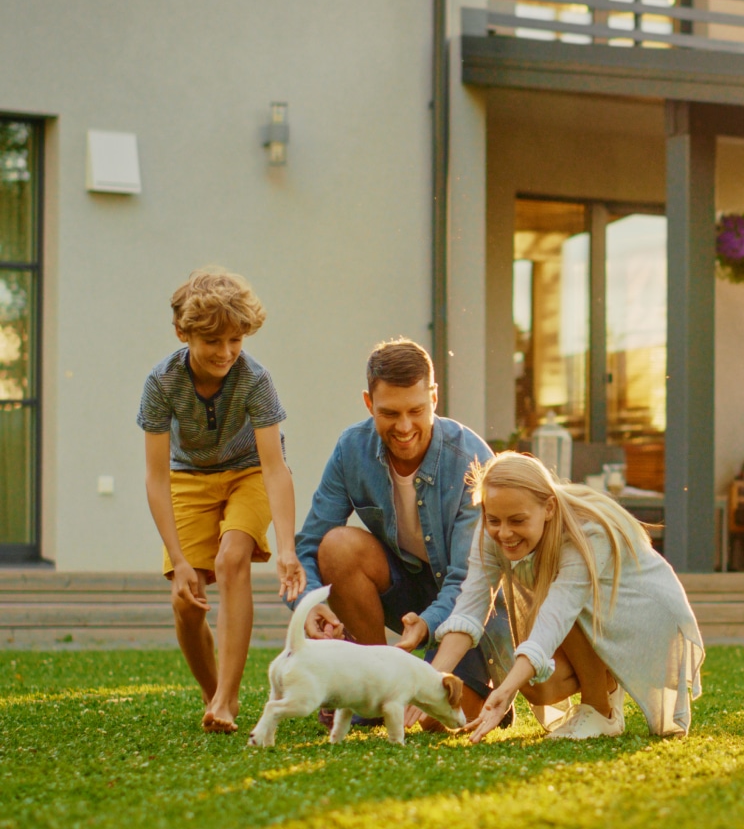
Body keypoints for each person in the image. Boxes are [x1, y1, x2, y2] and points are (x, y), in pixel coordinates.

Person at [293, 338, 511, 729]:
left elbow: (468, 581)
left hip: (472, 604)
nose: (405, 426)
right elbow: (308, 546)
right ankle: (374, 684)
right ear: (367, 403)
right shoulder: (351, 450)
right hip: (405, 589)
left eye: (416, 410)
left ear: (434, 396)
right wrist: (309, 606)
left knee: (434, 720)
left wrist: (427, 624)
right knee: (337, 546)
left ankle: (473, 686)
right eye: (389, 413)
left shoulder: (471, 459)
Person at [427, 452, 705, 742]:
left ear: (548, 508)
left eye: (517, 520)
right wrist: (427, 685)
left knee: (550, 624)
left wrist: (505, 690)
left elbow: (557, 615)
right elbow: (469, 611)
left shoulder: (585, 534)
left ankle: (601, 711)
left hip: (644, 615)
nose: (504, 532)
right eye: (493, 519)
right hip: (591, 614)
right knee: (539, 687)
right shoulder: (492, 530)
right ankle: (607, 686)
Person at [138, 267, 305, 734]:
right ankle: (214, 697)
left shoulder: (254, 380)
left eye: (236, 340)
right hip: (188, 477)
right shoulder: (162, 383)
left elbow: (275, 466)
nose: (227, 353)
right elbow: (155, 477)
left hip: (248, 472)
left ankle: (229, 699)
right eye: (214, 342)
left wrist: (287, 548)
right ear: (182, 332)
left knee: (233, 558)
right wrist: (177, 558)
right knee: (186, 602)